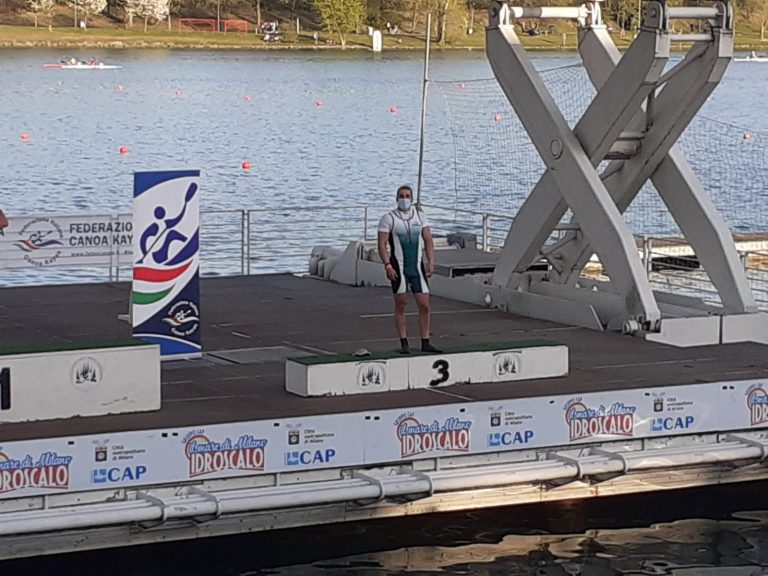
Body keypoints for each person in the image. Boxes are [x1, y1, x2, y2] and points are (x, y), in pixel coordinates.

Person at [377, 185, 442, 354]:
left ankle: (425, 341)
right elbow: (382, 244)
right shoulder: (388, 218)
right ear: (396, 198)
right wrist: (387, 265)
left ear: (412, 199)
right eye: (401, 196)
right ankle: (404, 342)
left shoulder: (420, 216)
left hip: (417, 268)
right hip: (398, 267)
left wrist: (431, 261)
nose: (404, 199)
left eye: (407, 196)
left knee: (424, 305)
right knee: (401, 303)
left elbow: (428, 240)